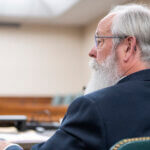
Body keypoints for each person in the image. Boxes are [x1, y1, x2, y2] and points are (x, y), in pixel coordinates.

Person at [1, 3, 150, 150]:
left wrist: (9, 148)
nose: (92, 52)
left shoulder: (94, 107)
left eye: (99, 41)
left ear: (128, 47)